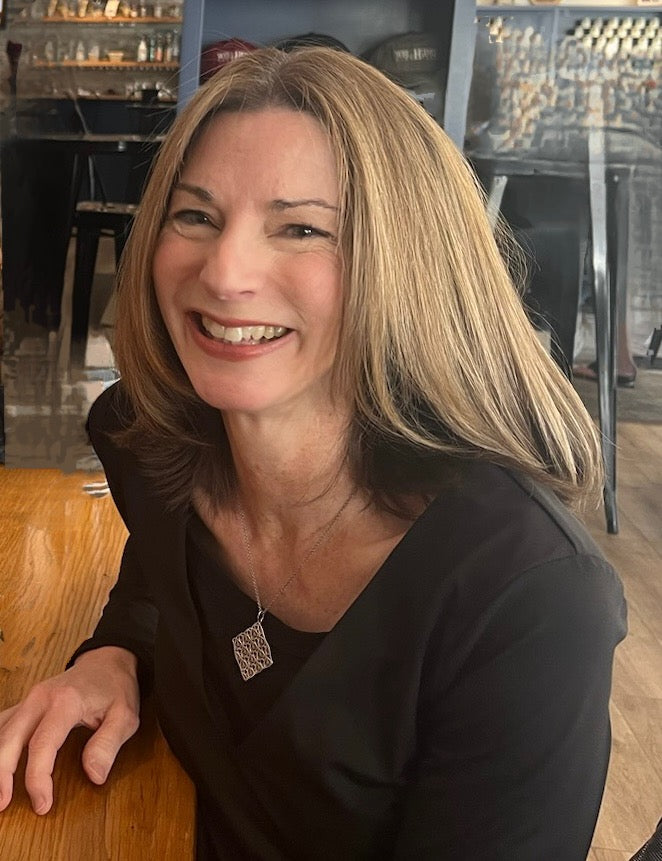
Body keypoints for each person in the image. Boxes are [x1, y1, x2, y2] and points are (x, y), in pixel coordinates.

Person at [0, 46, 626, 859]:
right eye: (196, 216)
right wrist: (114, 654)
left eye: (300, 228)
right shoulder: (147, 437)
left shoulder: (528, 601)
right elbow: (159, 574)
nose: (225, 272)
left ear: (404, 266)